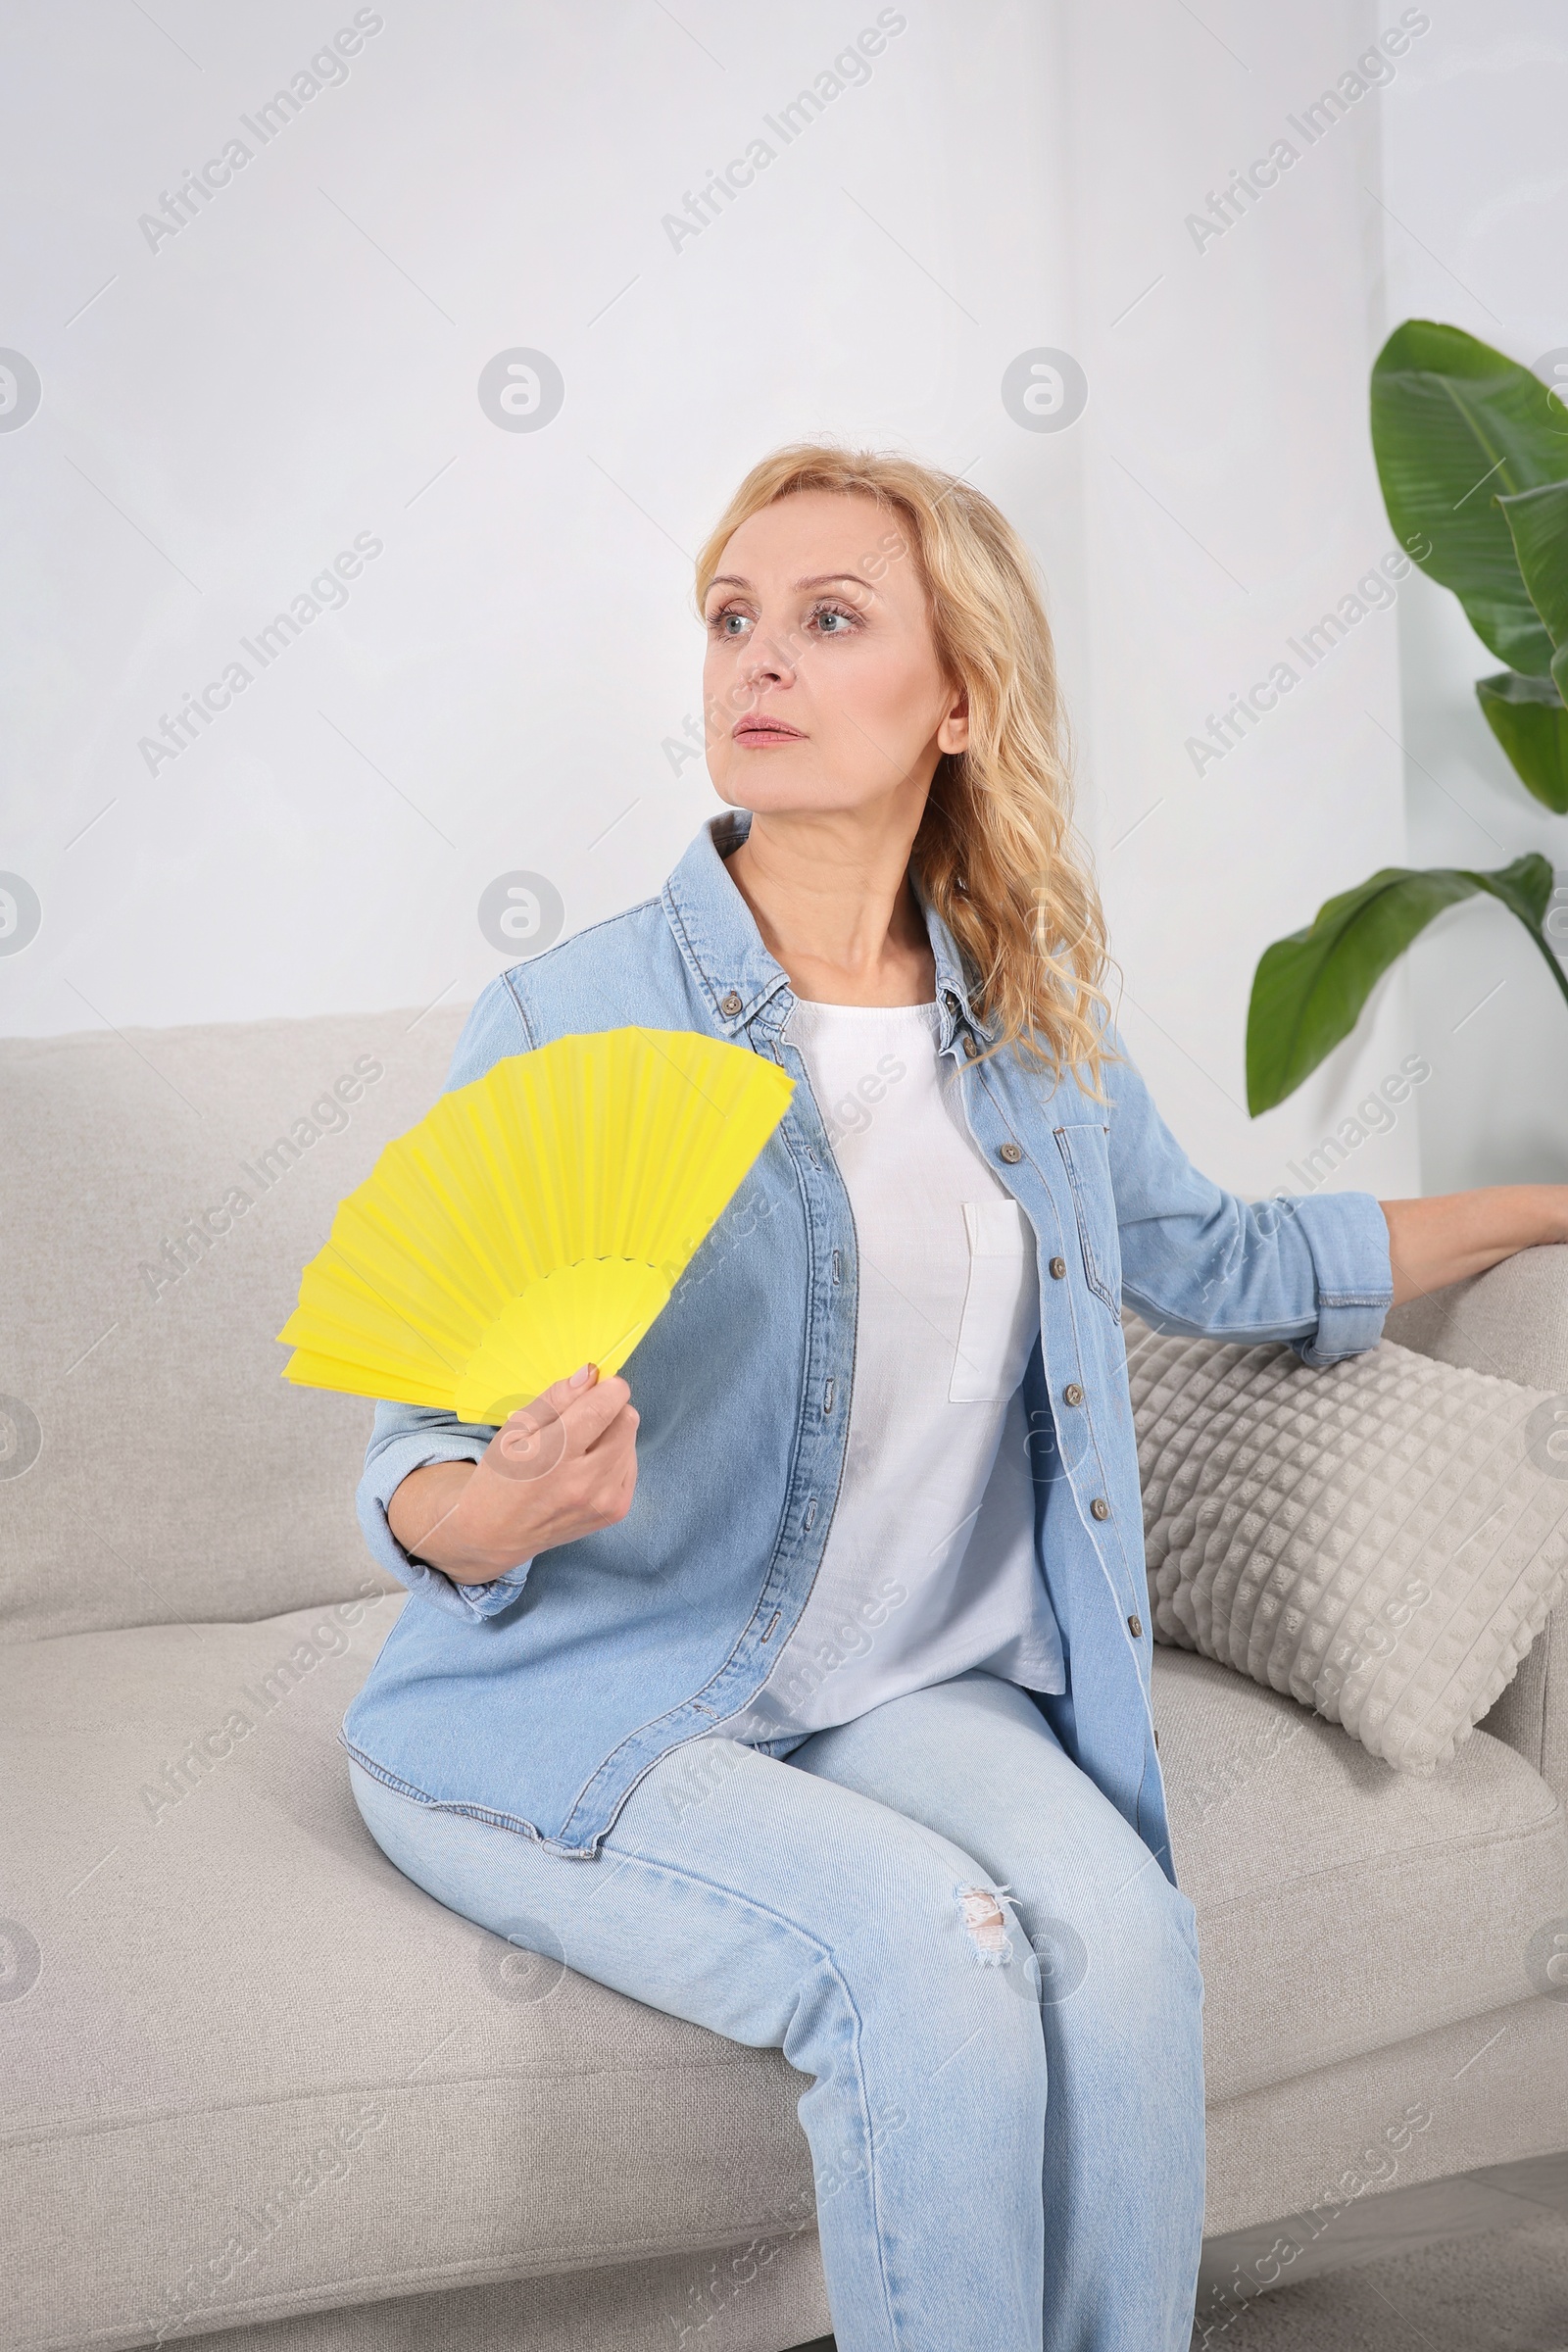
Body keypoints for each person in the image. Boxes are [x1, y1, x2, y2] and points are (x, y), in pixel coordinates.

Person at [340, 444, 1568, 2352]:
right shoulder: (575, 1021)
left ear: (959, 700)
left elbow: (1225, 1261)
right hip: (602, 1690)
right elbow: (408, 1452)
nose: (757, 660)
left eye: (830, 622)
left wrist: (1541, 1203)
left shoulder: (1029, 1021)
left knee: (1126, 1939)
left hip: (908, 1689)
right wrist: (493, 1510)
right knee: (930, 1951)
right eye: (733, 620)